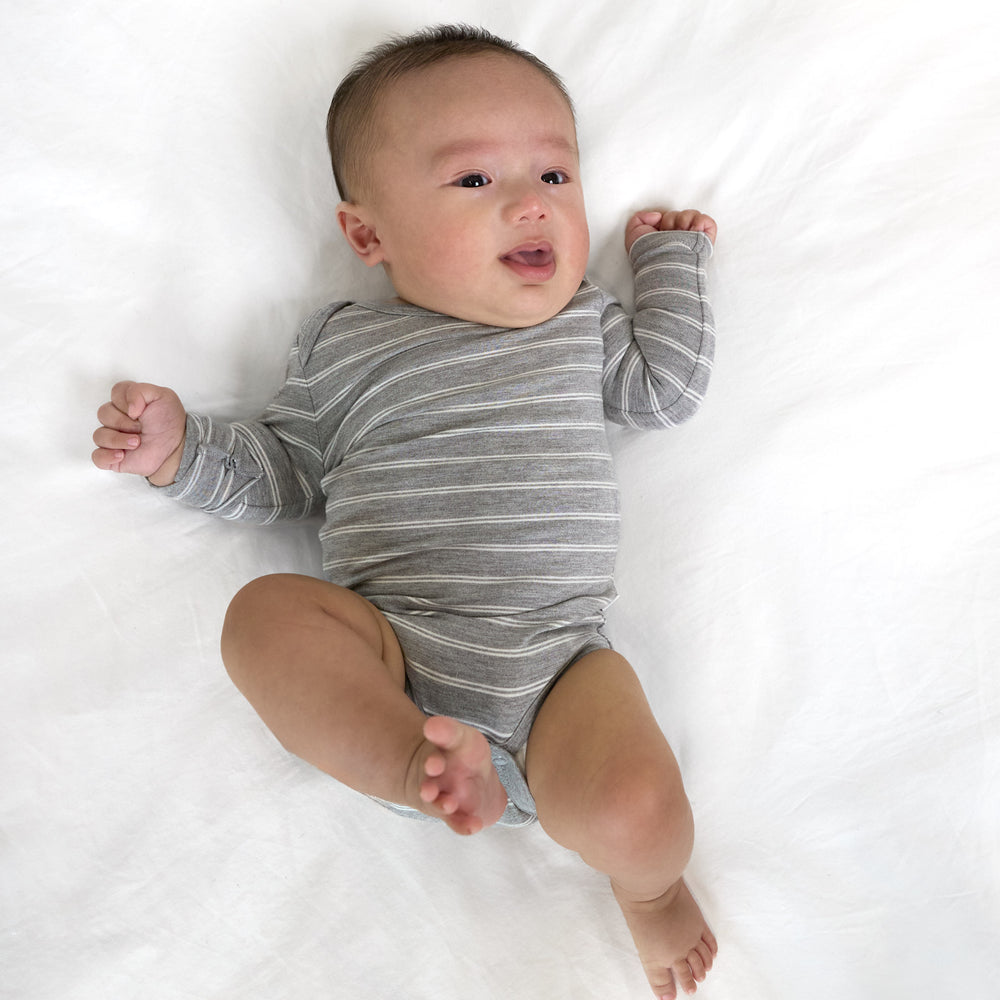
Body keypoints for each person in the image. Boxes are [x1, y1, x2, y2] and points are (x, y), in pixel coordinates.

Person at [92, 25, 718, 1000]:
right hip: (393, 653)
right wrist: (183, 451)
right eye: (473, 181)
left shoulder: (582, 322)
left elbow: (665, 390)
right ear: (368, 236)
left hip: (559, 666)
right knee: (264, 616)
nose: (528, 201)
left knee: (636, 805)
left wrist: (670, 268)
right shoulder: (345, 349)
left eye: (555, 174)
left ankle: (648, 893)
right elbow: (286, 470)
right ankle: (410, 765)